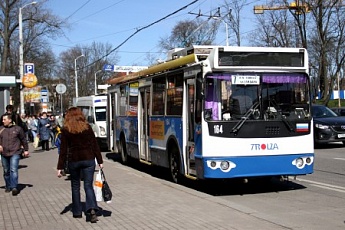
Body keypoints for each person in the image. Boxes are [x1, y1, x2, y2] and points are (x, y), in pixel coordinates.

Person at [57, 107, 103, 223]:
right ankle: (92, 209)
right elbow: (94, 145)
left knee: (75, 186)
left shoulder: (66, 130)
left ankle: (77, 212)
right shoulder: (87, 127)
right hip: (88, 159)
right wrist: (100, 161)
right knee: (88, 185)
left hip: (74, 160)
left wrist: (60, 167)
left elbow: (63, 150)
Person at [0, 114, 29, 196]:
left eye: (4, 119)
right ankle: (8, 186)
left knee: (13, 169)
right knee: (6, 171)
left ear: (9, 120)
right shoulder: (1, 129)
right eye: (2, 119)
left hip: (15, 152)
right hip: (4, 153)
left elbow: (23, 139)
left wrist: (26, 150)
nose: (3, 121)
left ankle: (14, 187)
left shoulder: (17, 129)